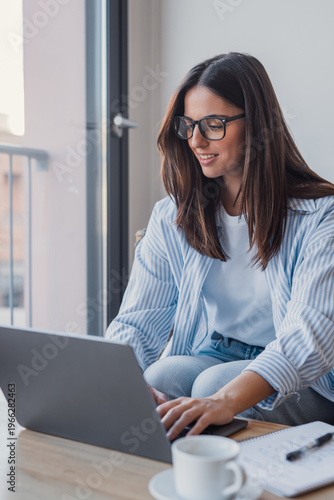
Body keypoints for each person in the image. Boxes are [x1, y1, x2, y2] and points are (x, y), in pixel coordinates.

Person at [106, 52, 334, 440]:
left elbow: (311, 333)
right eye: (189, 125)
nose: (196, 140)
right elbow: (138, 321)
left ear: (257, 125)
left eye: (213, 125)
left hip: (307, 377)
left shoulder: (320, 215)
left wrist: (225, 400)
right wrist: (116, 383)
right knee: (161, 376)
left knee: (212, 386)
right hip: (216, 351)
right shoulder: (173, 216)